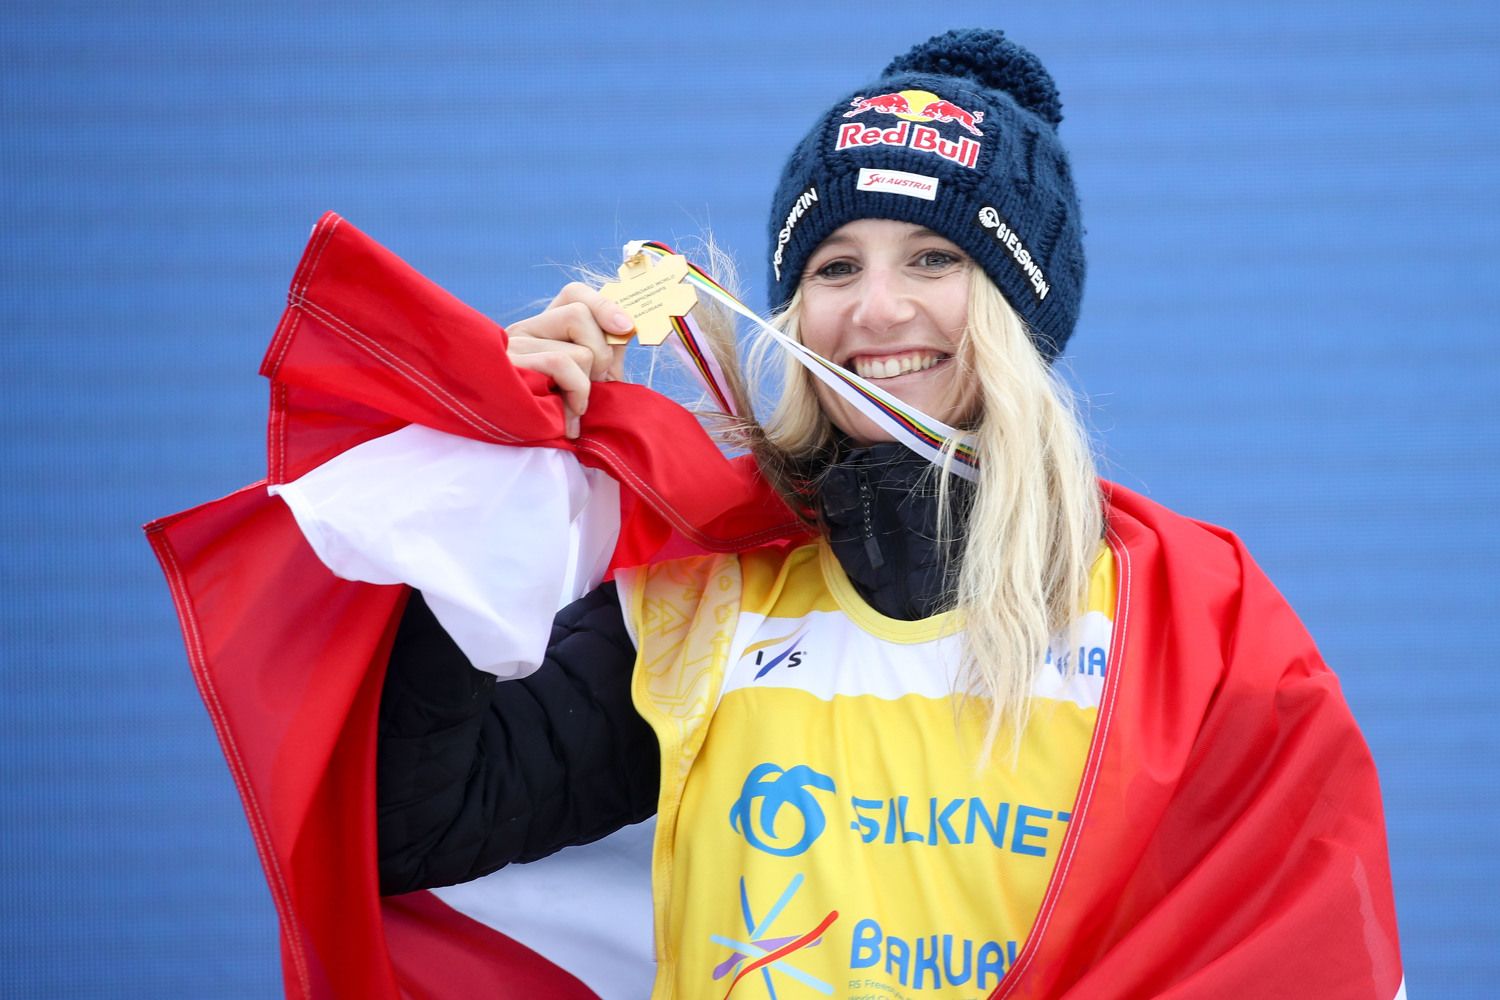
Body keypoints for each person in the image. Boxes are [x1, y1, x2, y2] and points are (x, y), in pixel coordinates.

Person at [371, 29, 1404, 1000]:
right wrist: (499, 476)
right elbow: (410, 828)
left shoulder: (1191, 621)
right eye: (836, 266)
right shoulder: (706, 602)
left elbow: (1297, 946)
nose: (875, 309)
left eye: (933, 258)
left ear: (1018, 310)